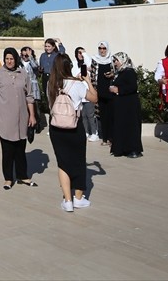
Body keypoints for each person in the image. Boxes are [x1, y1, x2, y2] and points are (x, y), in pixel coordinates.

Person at [46, 54, 97, 212]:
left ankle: (67, 201)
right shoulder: (77, 85)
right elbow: (94, 98)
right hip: (74, 127)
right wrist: (87, 81)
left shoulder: (51, 84)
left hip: (56, 127)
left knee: (63, 163)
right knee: (78, 161)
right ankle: (78, 198)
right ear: (69, 66)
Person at [0, 47, 38, 189]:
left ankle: (23, 176)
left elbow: (29, 96)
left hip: (22, 117)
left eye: (12, 59)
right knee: (8, 150)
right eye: (7, 59)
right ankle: (8, 178)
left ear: (16, 59)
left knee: (21, 149)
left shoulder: (23, 73)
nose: (9, 61)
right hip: (5, 117)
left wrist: (32, 115)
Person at [107, 52, 143, 158]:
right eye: (114, 61)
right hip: (122, 106)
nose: (115, 63)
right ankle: (121, 148)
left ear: (123, 61)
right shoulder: (120, 72)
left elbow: (132, 87)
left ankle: (133, 149)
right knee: (121, 126)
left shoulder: (129, 72)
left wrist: (118, 89)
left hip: (129, 107)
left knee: (131, 127)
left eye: (117, 60)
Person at [91, 41, 116, 146]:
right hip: (100, 91)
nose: (102, 50)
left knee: (111, 115)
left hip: (110, 92)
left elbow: (117, 73)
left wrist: (112, 75)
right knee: (102, 116)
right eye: (100, 48)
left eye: (104, 48)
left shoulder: (112, 60)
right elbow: (92, 76)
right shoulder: (95, 60)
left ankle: (112, 138)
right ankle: (104, 138)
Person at [73, 47, 99, 142]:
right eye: (78, 53)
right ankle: (86, 131)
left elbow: (88, 62)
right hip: (79, 94)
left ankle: (94, 132)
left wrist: (84, 53)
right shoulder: (74, 64)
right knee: (82, 115)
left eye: (81, 53)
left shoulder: (88, 64)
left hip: (88, 92)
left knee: (90, 115)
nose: (80, 55)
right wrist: (77, 78)